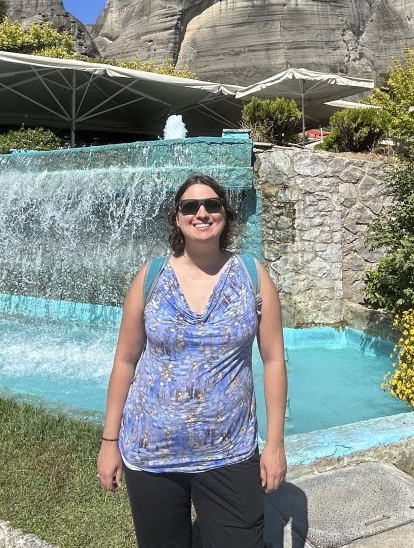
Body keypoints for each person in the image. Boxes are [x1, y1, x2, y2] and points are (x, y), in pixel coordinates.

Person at [97, 174, 287, 548]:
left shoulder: (252, 275)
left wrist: (275, 443)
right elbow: (125, 361)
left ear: (225, 215)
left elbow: (274, 360)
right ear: (178, 218)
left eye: (212, 205)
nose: (202, 213)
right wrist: (109, 441)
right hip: (152, 452)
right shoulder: (150, 276)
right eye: (190, 207)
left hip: (229, 451)